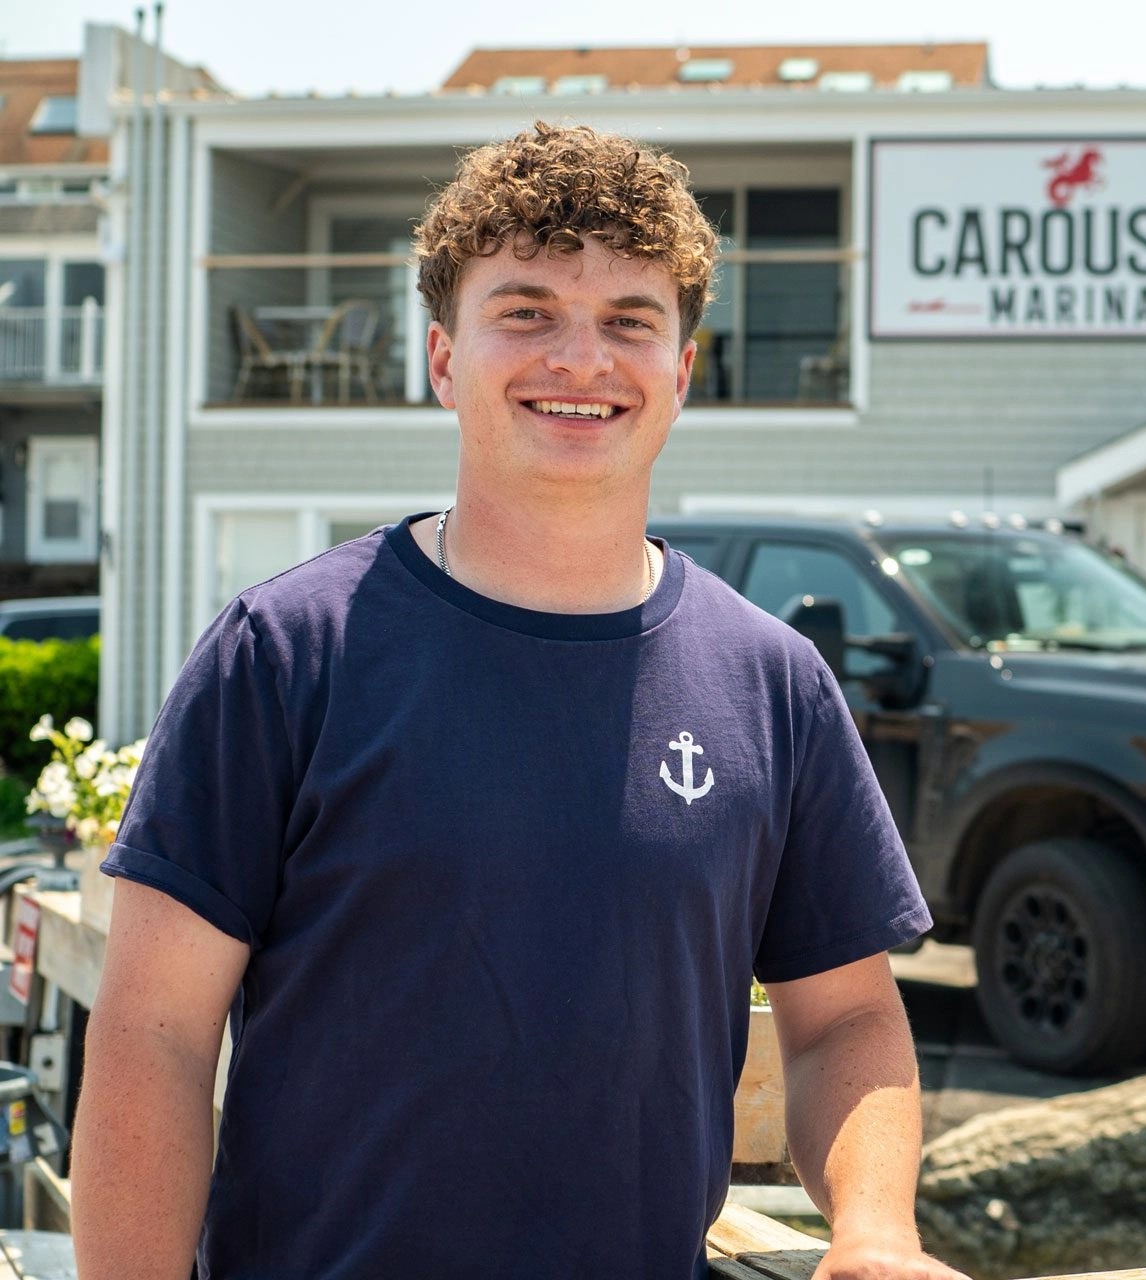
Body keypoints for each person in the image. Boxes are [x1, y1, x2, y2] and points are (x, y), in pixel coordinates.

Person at [71, 122, 963, 1280]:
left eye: (630, 320)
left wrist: (877, 1229)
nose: (581, 359)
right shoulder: (284, 653)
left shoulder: (772, 682)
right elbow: (154, 1033)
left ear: (682, 371)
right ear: (444, 360)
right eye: (529, 311)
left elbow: (846, 1017)